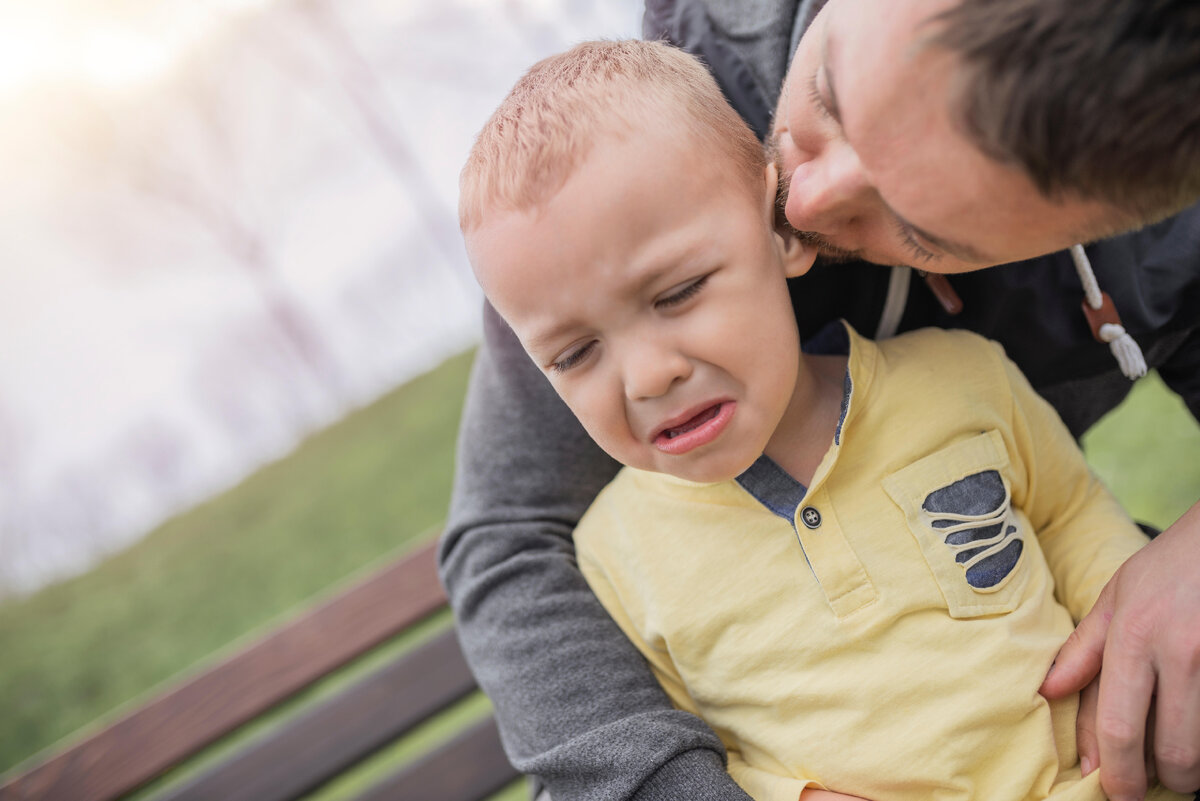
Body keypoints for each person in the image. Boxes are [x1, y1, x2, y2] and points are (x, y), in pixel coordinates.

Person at [442, 2, 1200, 800]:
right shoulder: (633, 151)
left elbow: (1068, 514)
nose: (802, 200)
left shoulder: (1006, 346)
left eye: (917, 225)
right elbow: (508, 537)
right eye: (831, 94)